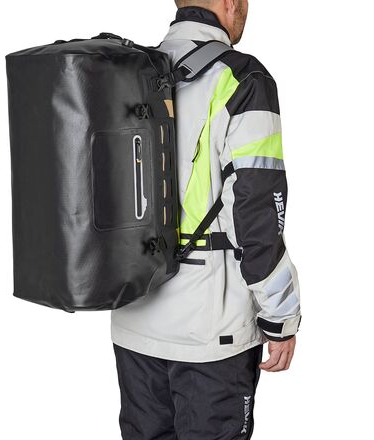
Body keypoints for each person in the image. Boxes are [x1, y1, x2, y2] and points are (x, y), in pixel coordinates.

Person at [110, 1, 302, 438]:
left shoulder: (126, 73)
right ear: (231, 3)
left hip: (133, 322)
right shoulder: (243, 79)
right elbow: (257, 213)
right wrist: (281, 317)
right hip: (211, 335)